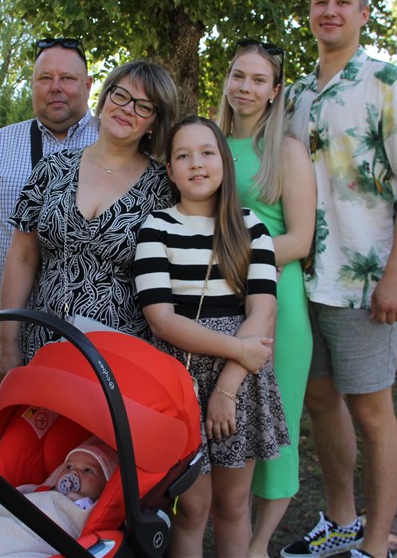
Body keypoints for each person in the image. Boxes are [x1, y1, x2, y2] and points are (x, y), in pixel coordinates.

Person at [282, 0, 397, 558]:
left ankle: (375, 545)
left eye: (343, 1)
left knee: (373, 414)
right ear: (309, 13)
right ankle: (342, 522)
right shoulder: (295, 95)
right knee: (321, 404)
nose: (330, 11)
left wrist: (396, 274)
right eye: (321, 1)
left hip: (364, 281)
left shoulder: (389, 83)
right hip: (302, 279)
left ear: (363, 13)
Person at [134, 116, 286, 556]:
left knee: (233, 505)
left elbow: (262, 310)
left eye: (206, 153)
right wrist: (237, 348)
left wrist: (227, 388)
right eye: (183, 156)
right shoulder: (156, 228)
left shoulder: (252, 228)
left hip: (240, 379)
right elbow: (161, 320)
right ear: (169, 170)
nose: (196, 164)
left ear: (225, 161)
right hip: (179, 379)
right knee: (192, 507)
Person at [0, 60, 178, 380]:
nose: (127, 108)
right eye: (121, 95)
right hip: (44, 344)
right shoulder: (51, 169)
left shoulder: (164, 188)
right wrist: (7, 342)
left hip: (120, 359)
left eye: (144, 105)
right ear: (105, 98)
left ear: (154, 122)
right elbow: (22, 257)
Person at [0, 38, 97, 441]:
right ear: (33, 84)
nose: (56, 87)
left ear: (88, 84)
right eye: (45, 78)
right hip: (10, 335)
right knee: (13, 451)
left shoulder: (116, 143)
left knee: (83, 454)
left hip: (91, 339)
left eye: (67, 78)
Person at [216, 39, 316, 556]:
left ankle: (257, 546)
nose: (246, 88)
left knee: (276, 425)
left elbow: (300, 239)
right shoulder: (209, 142)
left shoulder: (288, 152)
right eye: (239, 76)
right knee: (224, 418)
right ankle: (225, 523)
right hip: (215, 302)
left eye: (259, 80)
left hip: (279, 299)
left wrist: (232, 255)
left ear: (276, 91)